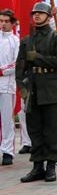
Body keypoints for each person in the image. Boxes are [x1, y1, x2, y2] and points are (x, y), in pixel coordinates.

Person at [17, 2, 57, 183]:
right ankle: (37, 165)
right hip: (33, 89)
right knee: (35, 129)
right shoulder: (26, 40)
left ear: (48, 16)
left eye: (40, 13)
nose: (37, 16)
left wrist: (38, 58)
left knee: (51, 130)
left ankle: (51, 166)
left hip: (52, 89)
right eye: (34, 14)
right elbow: (20, 67)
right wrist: (22, 89)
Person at [0, 9, 19, 165]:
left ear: (12, 23)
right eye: (1, 21)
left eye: (6, 21)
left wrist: (2, 71)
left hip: (7, 85)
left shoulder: (15, 40)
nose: (3, 24)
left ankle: (7, 151)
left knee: (7, 119)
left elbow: (18, 63)